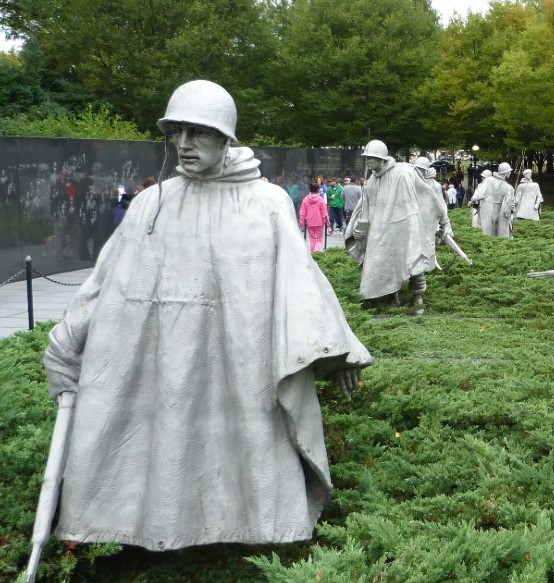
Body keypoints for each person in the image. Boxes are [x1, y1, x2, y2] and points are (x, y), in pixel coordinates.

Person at [42, 80, 371, 551]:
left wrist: (335, 353)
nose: (184, 144)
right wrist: (68, 339)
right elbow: (104, 282)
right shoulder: (150, 205)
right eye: (177, 131)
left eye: (198, 132)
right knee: (163, 444)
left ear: (225, 137)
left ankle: (257, 531)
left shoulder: (267, 203)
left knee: (246, 449)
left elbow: (301, 286)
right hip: (161, 365)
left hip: (242, 366)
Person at [344, 142, 452, 313]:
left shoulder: (405, 171)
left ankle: (418, 297)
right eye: (366, 157)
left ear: (382, 159)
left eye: (372, 158)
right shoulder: (371, 181)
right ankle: (391, 294)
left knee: (414, 261)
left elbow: (428, 195)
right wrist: (361, 228)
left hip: (407, 225)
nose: (368, 161)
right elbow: (365, 206)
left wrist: (444, 221)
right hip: (380, 229)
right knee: (383, 261)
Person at [470, 162, 515, 237]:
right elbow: (480, 190)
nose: (510, 172)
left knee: (499, 229)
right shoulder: (489, 180)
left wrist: (511, 207)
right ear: (505, 172)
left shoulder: (508, 187)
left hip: (501, 209)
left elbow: (509, 202)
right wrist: (475, 197)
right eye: (509, 171)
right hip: (489, 208)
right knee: (490, 229)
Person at [299, 182, 331, 252]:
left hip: (309, 222)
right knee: (319, 240)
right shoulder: (320, 200)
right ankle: (315, 254)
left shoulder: (305, 199)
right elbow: (325, 213)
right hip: (319, 223)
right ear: (318, 190)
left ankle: (312, 255)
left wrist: (301, 223)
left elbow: (302, 212)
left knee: (312, 240)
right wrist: (328, 223)